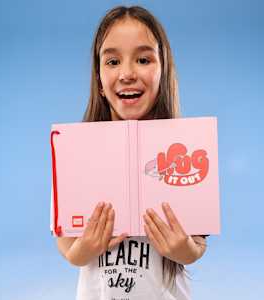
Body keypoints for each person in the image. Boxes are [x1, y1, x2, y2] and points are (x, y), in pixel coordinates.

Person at [56, 5, 208, 300]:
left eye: (142, 59)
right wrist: (84, 249)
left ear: (163, 71)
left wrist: (183, 250)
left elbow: (197, 245)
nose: (127, 73)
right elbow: (68, 247)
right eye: (112, 61)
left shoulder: (186, 151)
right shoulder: (74, 153)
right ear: (98, 79)